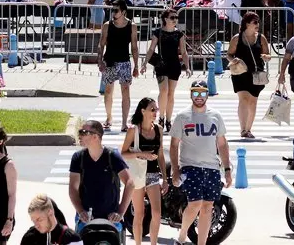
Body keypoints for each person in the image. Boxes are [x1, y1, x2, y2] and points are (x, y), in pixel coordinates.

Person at [170, 80, 232, 245]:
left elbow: (222, 144)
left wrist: (227, 170)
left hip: (212, 168)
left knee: (207, 207)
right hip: (190, 166)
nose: (199, 96)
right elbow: (174, 145)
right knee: (195, 203)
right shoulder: (182, 116)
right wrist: (175, 170)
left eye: (202, 93)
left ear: (207, 95)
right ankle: (182, 236)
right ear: (191, 94)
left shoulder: (215, 116)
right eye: (195, 93)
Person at [68, 120, 134, 239]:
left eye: (83, 132)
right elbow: (73, 188)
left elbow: (130, 183)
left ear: (95, 136)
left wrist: (120, 212)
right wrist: (80, 211)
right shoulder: (78, 158)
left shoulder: (112, 156)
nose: (80, 135)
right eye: (79, 132)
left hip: (110, 218)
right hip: (87, 218)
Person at [120, 98, 168, 245]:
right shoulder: (133, 130)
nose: (155, 112)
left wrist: (165, 178)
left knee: (157, 213)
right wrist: (141, 154)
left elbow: (160, 154)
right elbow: (123, 153)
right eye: (152, 109)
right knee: (139, 214)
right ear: (143, 111)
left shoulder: (159, 129)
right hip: (137, 175)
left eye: (156, 109)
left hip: (153, 174)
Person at [142, 8, 190, 132]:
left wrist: (188, 67)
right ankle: (161, 117)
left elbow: (184, 52)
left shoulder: (179, 34)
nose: (175, 20)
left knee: (171, 94)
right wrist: (144, 64)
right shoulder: (158, 32)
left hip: (174, 65)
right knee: (163, 91)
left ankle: (168, 120)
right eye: (172, 17)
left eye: (176, 18)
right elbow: (151, 49)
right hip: (161, 65)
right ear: (165, 19)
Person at [97, 0, 140, 132]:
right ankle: (109, 117)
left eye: (116, 10)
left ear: (123, 12)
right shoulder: (107, 25)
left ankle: (124, 123)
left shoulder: (131, 26)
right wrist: (99, 60)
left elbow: (134, 47)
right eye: (112, 10)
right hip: (109, 61)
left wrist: (136, 66)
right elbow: (101, 44)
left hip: (124, 62)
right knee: (108, 91)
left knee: (125, 91)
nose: (113, 13)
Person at [226, 12, 271, 138]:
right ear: (247, 24)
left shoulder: (261, 38)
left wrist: (266, 57)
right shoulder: (237, 38)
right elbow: (229, 54)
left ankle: (249, 129)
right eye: (255, 22)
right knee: (243, 99)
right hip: (240, 73)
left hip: (256, 73)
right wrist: (233, 60)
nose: (258, 24)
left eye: (258, 22)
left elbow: (268, 55)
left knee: (253, 102)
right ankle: (243, 130)